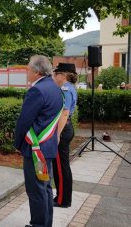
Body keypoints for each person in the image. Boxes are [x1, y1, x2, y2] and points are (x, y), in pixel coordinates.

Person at [14, 55, 64, 227]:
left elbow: (24, 121)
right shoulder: (55, 88)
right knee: (45, 187)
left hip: (36, 150)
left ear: (36, 72)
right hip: (47, 147)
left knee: (36, 189)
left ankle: (39, 224)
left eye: (28, 69)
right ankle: (45, 223)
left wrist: (17, 143)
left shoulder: (37, 90)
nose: (26, 72)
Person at [52, 63, 78, 208]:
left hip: (63, 129)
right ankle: (62, 197)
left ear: (63, 75)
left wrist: (57, 134)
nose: (54, 76)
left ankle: (62, 200)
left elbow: (64, 112)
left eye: (56, 74)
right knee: (61, 166)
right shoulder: (68, 88)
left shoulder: (66, 89)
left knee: (61, 167)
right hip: (66, 128)